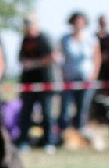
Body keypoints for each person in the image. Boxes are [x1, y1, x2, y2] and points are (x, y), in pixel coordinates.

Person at [57, 11, 101, 141]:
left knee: (82, 109)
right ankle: (62, 136)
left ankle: (81, 135)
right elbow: (60, 58)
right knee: (65, 109)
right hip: (69, 79)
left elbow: (97, 58)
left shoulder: (91, 39)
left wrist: (94, 76)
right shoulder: (65, 39)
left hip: (86, 79)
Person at [17, 13, 57, 153]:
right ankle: (23, 141)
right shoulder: (25, 40)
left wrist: (34, 64)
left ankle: (49, 141)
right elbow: (20, 57)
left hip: (45, 83)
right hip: (28, 84)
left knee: (47, 114)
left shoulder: (45, 38)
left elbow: (53, 57)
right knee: (26, 114)